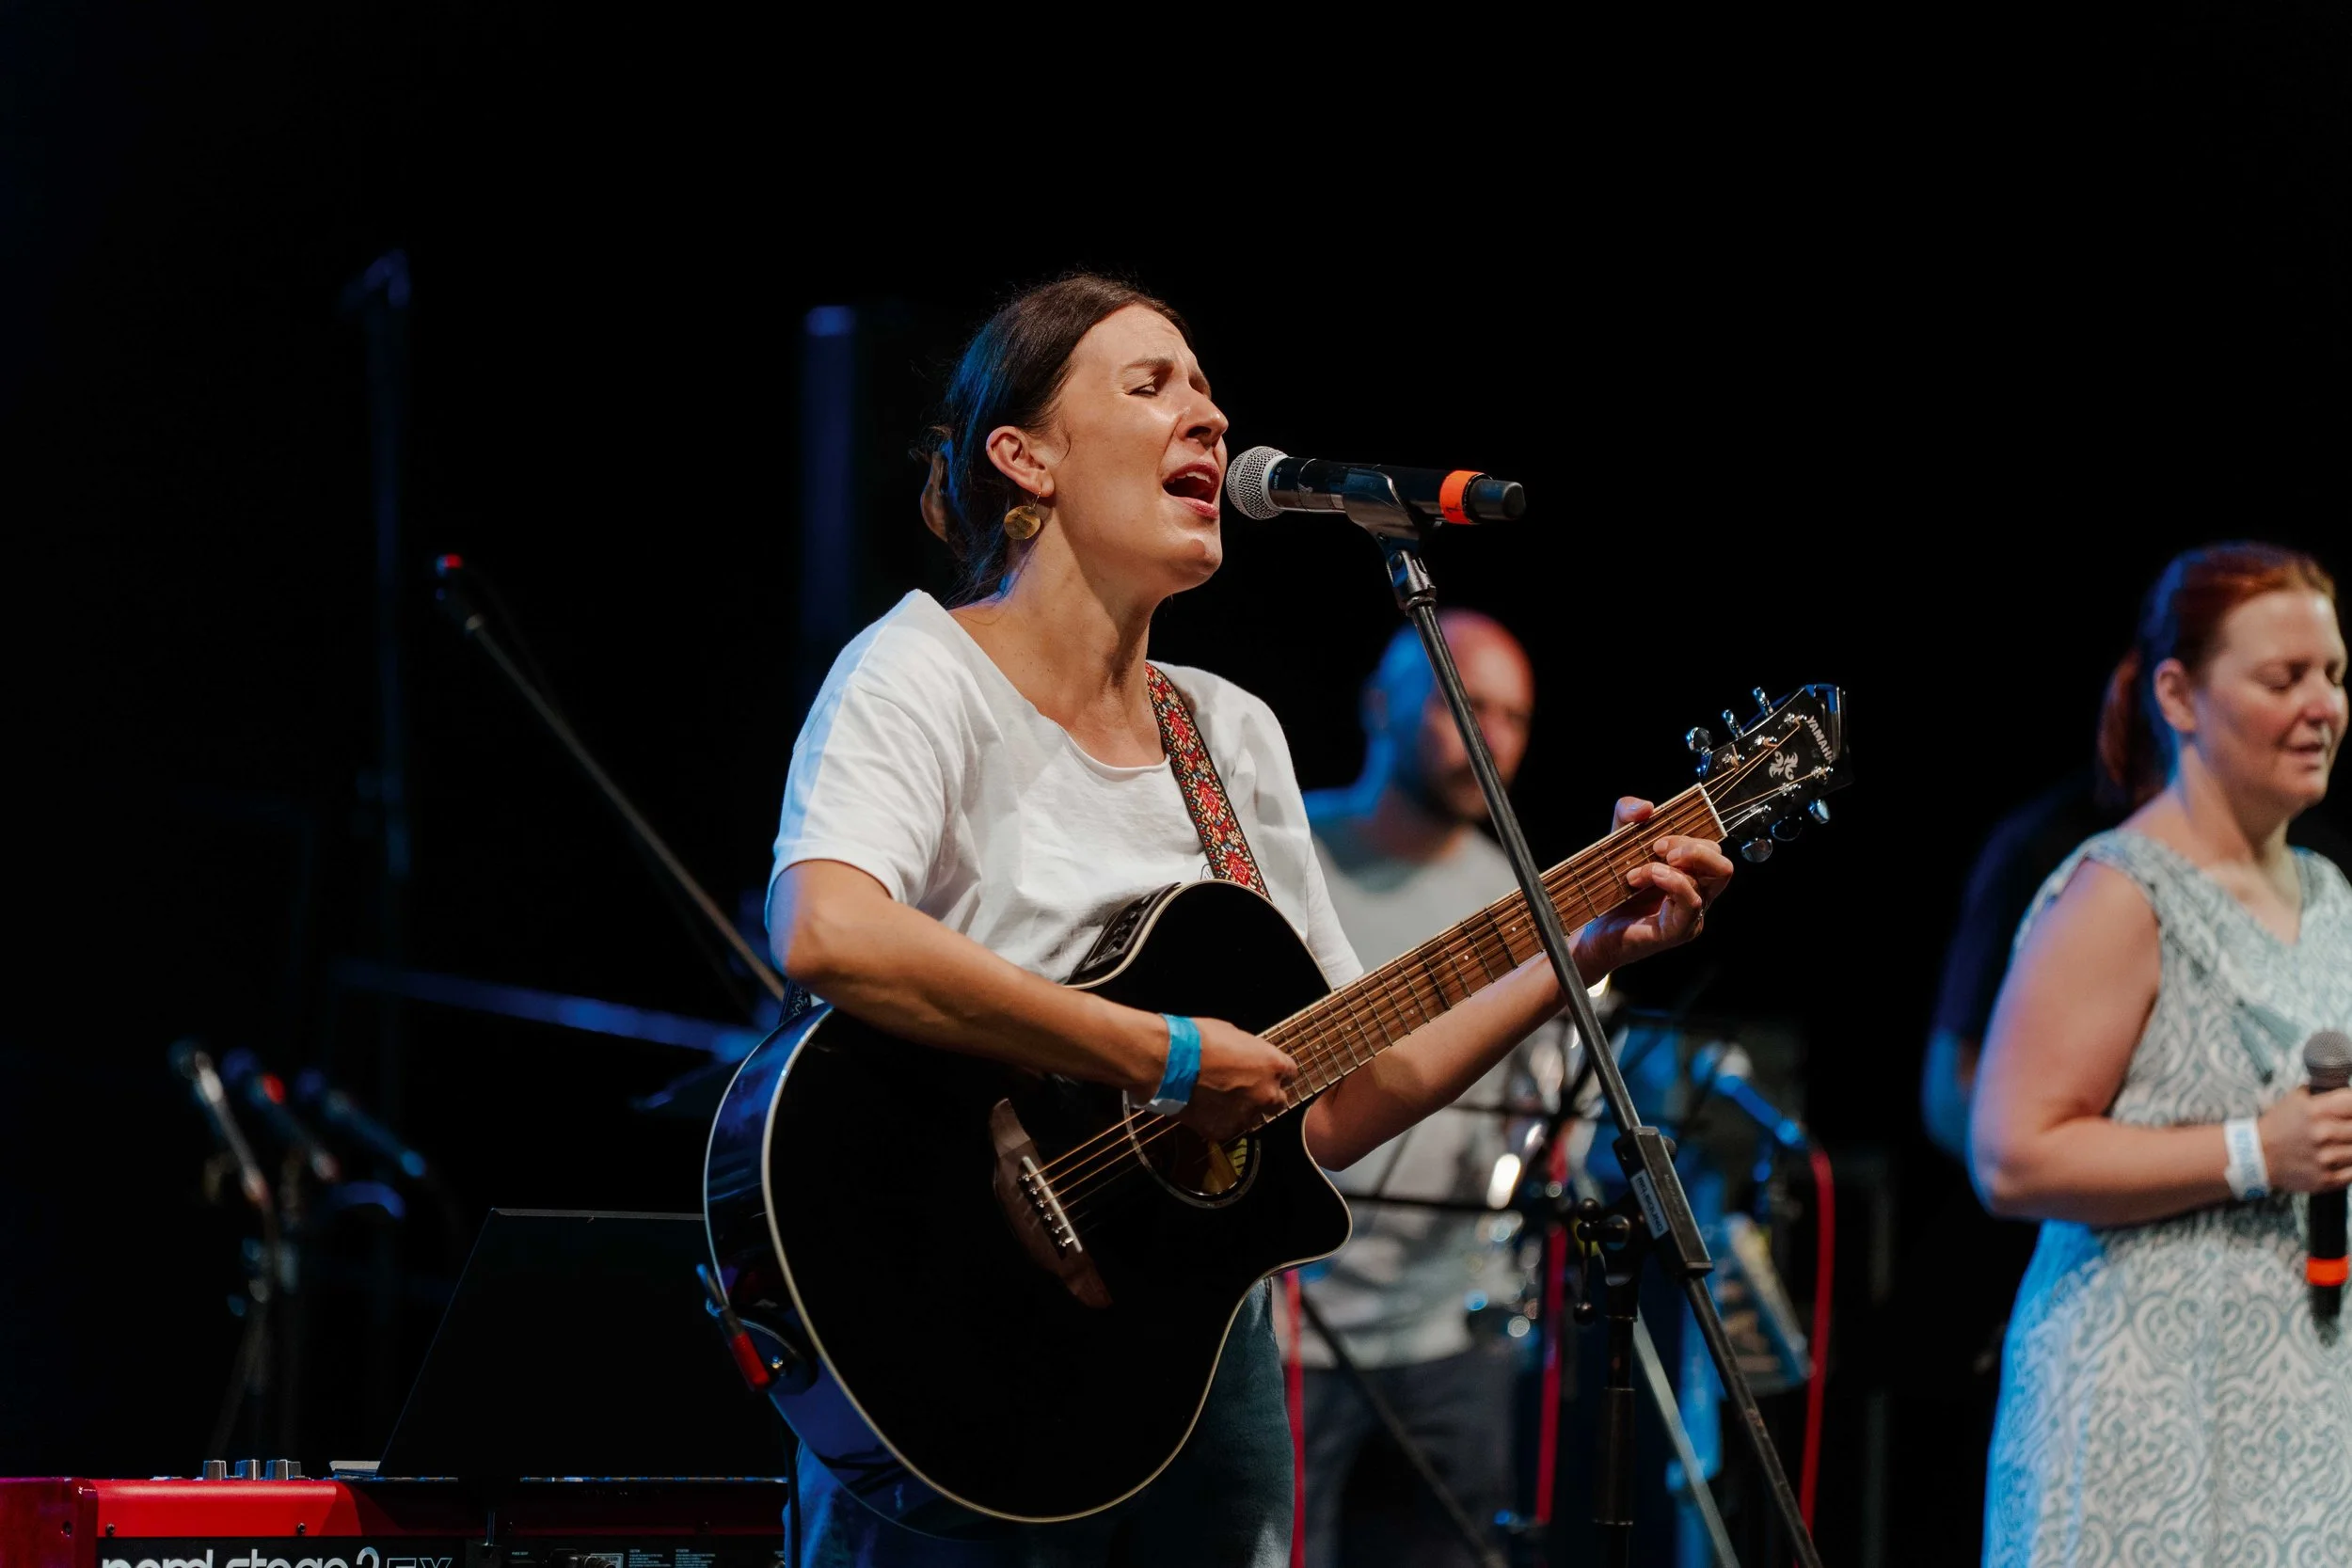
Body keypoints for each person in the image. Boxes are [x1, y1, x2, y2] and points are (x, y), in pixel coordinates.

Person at [763, 274, 1734, 1567]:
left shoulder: (1228, 732)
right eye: (1151, 384)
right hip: (949, 1343)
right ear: (1025, 457)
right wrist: (1164, 1051)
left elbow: (1335, 1094)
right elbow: (827, 930)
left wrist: (1584, 949)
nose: (1211, 418)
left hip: (1196, 1364)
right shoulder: (920, 670)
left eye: (1209, 388)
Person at [1971, 542, 2352, 1565]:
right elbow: (2011, 1155)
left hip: (2298, 1411)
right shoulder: (2117, 892)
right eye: (2284, 677)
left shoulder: (2330, 899)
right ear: (2180, 696)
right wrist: (2255, 1150)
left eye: (2333, 674)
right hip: (2139, 1412)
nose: (2322, 705)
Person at [1296, 611, 1584, 1568]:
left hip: (1450, 1334)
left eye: (1515, 717)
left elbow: (1553, 1112)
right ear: (1381, 705)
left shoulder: (1520, 894)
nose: (1490, 738)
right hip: (1289, 1329)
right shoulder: (1285, 853)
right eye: (1465, 706)